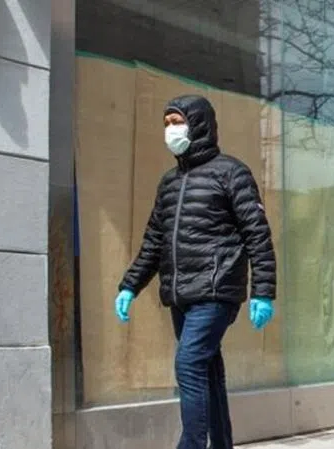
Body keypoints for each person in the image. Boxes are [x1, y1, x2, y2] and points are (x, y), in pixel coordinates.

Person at [113, 94, 277, 449]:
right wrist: (130, 286)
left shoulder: (231, 173)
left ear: (198, 124)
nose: (171, 130)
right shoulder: (169, 183)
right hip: (181, 294)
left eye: (178, 122)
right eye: (167, 123)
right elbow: (153, 242)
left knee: (188, 364)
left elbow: (257, 233)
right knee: (208, 370)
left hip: (216, 290)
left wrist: (263, 291)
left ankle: (191, 444)